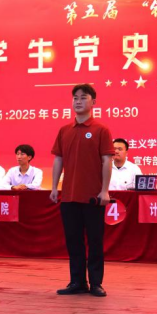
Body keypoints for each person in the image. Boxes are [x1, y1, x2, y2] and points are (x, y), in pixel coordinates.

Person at [50, 84, 114, 298]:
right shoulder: (64, 130)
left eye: (83, 97)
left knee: (95, 241)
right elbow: (58, 160)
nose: (78, 101)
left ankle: (96, 283)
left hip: (93, 196)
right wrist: (54, 187)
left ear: (93, 102)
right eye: (75, 98)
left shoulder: (101, 129)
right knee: (73, 241)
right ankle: (77, 282)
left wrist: (104, 191)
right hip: (69, 196)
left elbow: (107, 161)